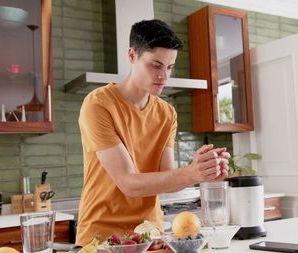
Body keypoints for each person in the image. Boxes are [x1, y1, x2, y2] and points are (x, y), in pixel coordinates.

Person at [76, 19, 230, 245]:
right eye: (155, 65)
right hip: (102, 239)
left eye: (169, 67)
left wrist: (203, 171)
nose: (164, 76)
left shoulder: (167, 113)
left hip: (151, 237)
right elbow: (128, 183)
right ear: (131, 56)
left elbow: (168, 179)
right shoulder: (99, 104)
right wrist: (192, 172)